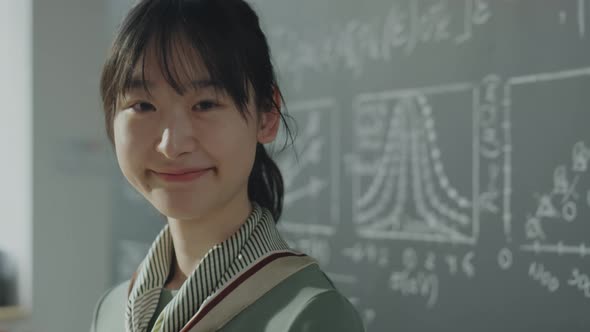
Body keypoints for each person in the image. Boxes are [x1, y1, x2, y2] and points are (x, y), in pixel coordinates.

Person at [90, 0, 366, 331]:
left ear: (266, 115)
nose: (171, 145)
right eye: (143, 105)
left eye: (205, 104)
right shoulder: (112, 310)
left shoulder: (310, 316)